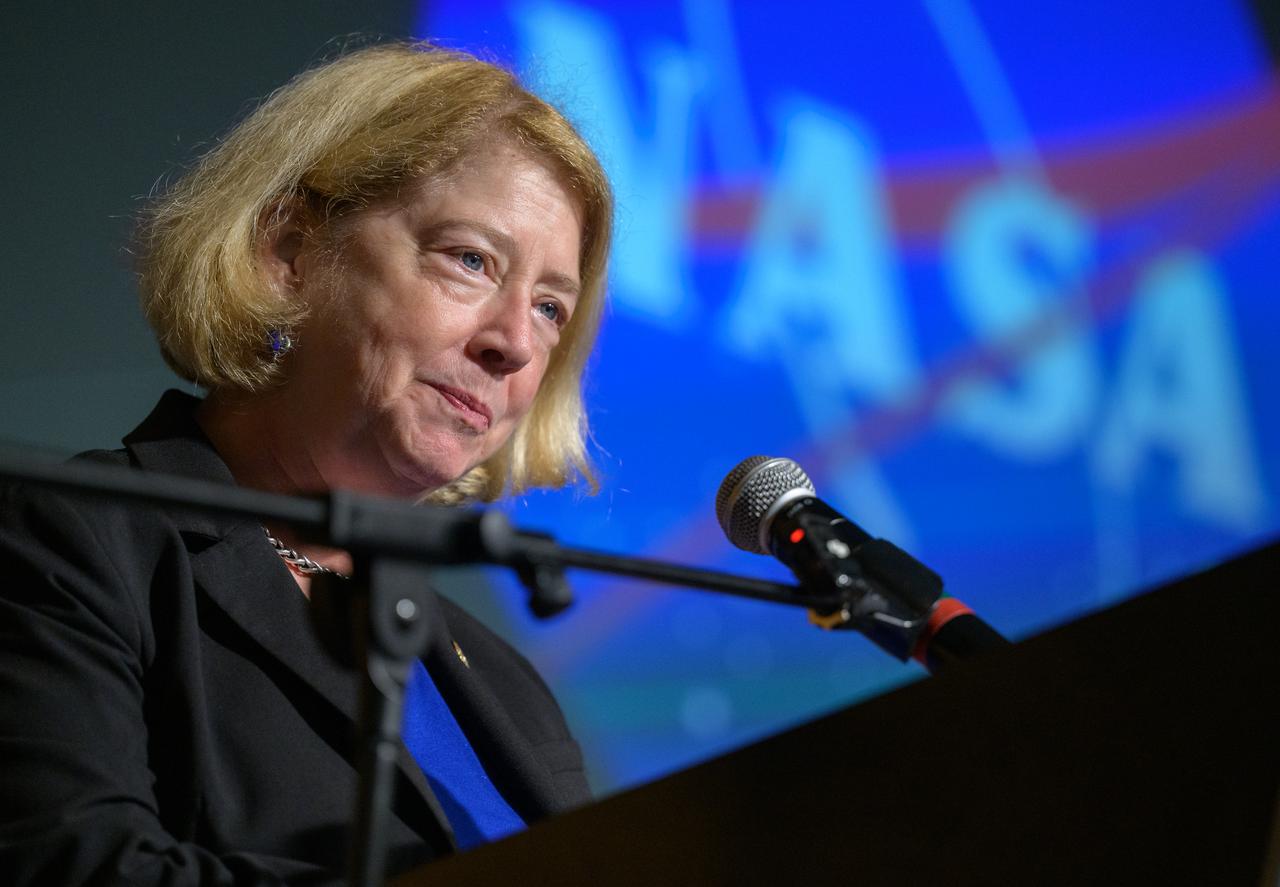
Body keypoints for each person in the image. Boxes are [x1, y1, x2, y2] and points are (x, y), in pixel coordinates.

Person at [0, 41, 612, 886]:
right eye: (470, 260)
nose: (514, 341)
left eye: (551, 308)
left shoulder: (506, 686)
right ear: (290, 252)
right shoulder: (77, 543)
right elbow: (74, 867)